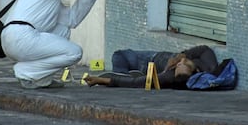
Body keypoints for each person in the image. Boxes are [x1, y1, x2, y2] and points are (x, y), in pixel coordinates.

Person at [1, 0, 102, 89]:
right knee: (74, 53)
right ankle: (26, 71)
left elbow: (71, 20)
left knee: (63, 30)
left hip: (14, 39)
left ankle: (42, 80)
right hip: (21, 38)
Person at [84, 45, 218, 90]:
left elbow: (136, 83)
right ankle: (126, 73)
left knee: (118, 55)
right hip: (153, 57)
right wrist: (180, 55)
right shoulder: (209, 68)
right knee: (120, 57)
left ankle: (124, 74)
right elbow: (203, 49)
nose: (180, 63)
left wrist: (100, 80)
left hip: (149, 61)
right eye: (181, 63)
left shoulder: (169, 75)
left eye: (180, 66)